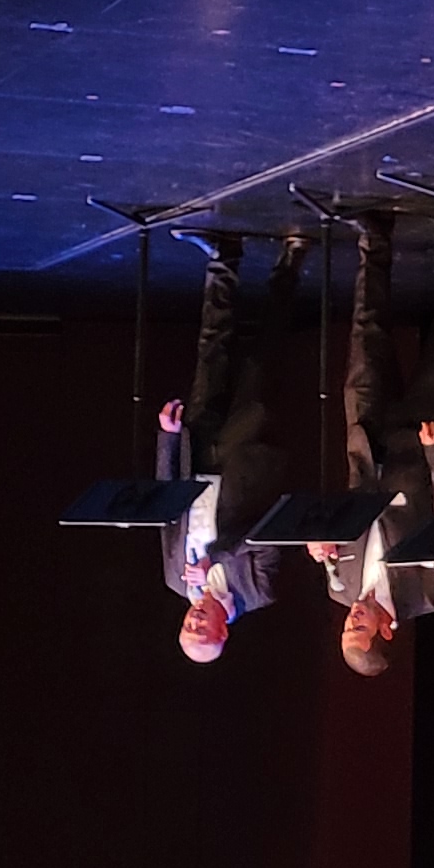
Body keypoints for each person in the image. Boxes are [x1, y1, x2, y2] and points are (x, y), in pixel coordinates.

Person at [308, 208, 434, 678]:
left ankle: (374, 238)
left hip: (367, 443)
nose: (352, 618)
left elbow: (337, 520)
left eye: (346, 628)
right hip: (420, 448)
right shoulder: (426, 595)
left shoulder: (338, 588)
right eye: (360, 628)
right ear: (387, 630)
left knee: (366, 337)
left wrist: (320, 539)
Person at [156, 227, 307, 664]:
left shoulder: (173, 580)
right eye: (202, 628)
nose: (194, 619)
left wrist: (168, 440)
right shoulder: (257, 592)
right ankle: (290, 262)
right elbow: (266, 538)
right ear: (223, 631)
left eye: (188, 626)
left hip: (197, 455)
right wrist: (217, 560)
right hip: (246, 456)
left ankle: (223, 259)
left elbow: (168, 512)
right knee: (262, 358)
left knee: (211, 354)